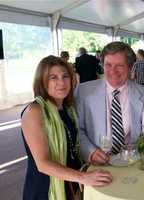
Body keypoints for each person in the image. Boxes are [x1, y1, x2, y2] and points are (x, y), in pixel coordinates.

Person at [21, 55, 112, 200]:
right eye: (53, 77)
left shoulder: (68, 109)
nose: (61, 82)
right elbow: (42, 164)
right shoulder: (35, 111)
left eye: (65, 76)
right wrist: (82, 177)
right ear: (42, 81)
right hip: (46, 188)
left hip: (70, 183)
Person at [76, 41, 144, 165]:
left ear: (130, 67)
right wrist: (91, 152)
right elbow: (78, 129)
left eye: (119, 65)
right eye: (108, 64)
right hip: (97, 164)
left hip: (132, 162)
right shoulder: (83, 92)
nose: (113, 71)